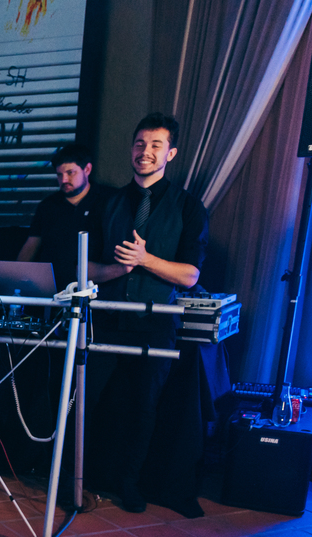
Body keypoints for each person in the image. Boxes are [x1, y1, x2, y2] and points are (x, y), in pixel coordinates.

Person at [87, 112, 208, 514]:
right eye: (140, 144)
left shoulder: (189, 207)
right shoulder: (109, 202)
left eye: (156, 145)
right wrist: (117, 269)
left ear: (170, 153)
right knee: (91, 400)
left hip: (155, 324)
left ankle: (130, 484)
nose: (145, 152)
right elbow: (85, 268)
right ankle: (83, 479)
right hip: (105, 316)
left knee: (144, 407)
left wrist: (144, 259)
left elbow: (190, 275)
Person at [16, 143, 114, 290]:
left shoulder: (109, 200)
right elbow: (31, 246)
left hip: (96, 291)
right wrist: (14, 280)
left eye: (70, 173)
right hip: (53, 291)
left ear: (87, 169)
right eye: (59, 174)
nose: (64, 180)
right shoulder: (48, 205)